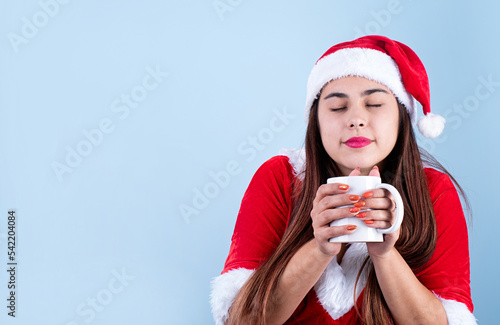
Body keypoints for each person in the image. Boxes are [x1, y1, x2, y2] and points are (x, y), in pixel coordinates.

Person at [210, 35, 476, 324]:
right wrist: (320, 247)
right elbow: (243, 320)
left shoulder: (433, 192)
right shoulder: (280, 178)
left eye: (374, 104)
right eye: (337, 107)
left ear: (402, 117)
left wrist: (385, 255)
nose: (356, 120)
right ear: (316, 121)